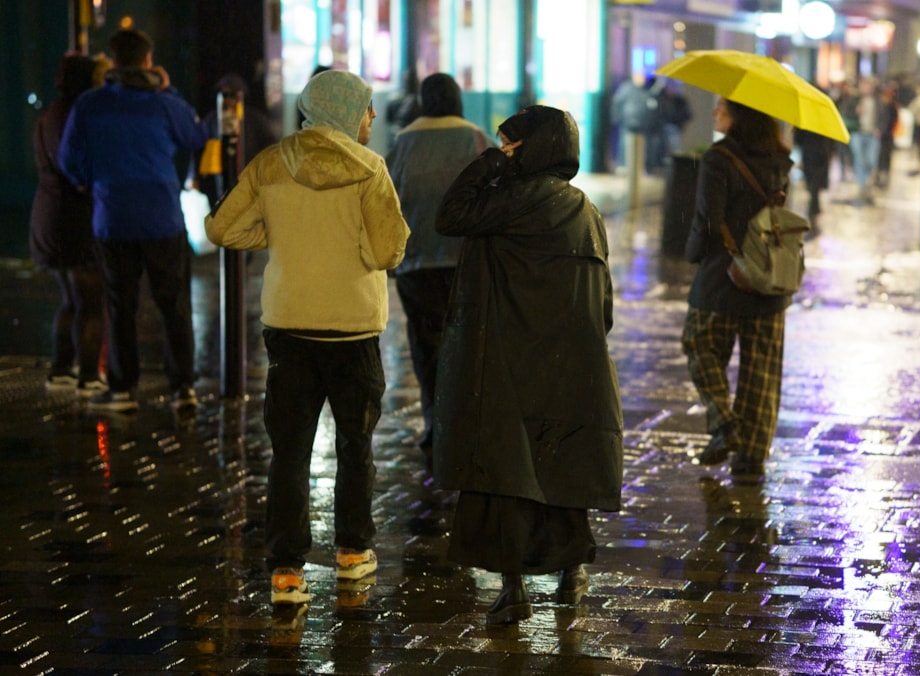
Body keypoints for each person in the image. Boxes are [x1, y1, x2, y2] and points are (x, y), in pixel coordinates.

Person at [204, 69, 410, 605]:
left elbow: (222, 229)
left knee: (289, 454)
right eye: (365, 107)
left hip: (289, 329)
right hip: (353, 329)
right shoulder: (370, 169)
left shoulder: (272, 162)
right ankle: (351, 554)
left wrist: (275, 235)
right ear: (347, 111)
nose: (371, 116)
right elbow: (388, 252)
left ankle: (287, 572)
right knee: (355, 446)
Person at [433, 105, 623, 626]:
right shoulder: (585, 210)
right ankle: (571, 576)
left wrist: (490, 164)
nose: (502, 151)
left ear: (527, 148)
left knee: (504, 476)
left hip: (508, 363)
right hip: (571, 363)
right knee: (563, 467)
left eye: (509, 143)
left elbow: (449, 215)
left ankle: (513, 588)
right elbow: (602, 298)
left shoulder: (510, 202)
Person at [58, 28, 211, 412]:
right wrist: (168, 90)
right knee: (173, 303)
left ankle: (124, 388)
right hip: (162, 217)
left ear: (111, 61)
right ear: (148, 60)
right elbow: (196, 136)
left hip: (113, 218)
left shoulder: (91, 105)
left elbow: (69, 159)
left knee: (120, 305)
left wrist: (93, 181)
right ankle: (183, 388)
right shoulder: (163, 103)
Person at [384, 73, 494, 465]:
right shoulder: (477, 138)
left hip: (415, 263)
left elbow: (387, 198)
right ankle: (466, 421)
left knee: (426, 344)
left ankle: (434, 420)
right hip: (465, 261)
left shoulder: (402, 142)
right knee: (466, 344)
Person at [682, 97, 793, 477]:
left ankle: (723, 422)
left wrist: (693, 255)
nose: (714, 113)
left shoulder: (718, 159)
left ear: (740, 115)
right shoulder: (780, 159)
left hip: (722, 276)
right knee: (762, 370)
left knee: (699, 343)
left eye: (721, 108)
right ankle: (750, 460)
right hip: (769, 277)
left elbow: (706, 220)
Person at [30, 53, 110, 396]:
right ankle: (89, 375)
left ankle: (61, 368)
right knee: (92, 300)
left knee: (70, 299)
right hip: (74, 216)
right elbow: (80, 167)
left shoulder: (49, 113)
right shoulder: (79, 114)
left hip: (47, 213)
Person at [197, 73, 280, 209]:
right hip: (220, 180)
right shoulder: (213, 119)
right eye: (223, 95)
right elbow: (200, 145)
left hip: (249, 179)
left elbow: (271, 144)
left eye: (231, 95)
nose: (227, 100)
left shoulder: (253, 119)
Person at [792, 126, 833, 228]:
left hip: (810, 155)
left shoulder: (805, 124)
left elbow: (798, 139)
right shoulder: (825, 122)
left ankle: (813, 209)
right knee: (815, 184)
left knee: (813, 184)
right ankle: (814, 208)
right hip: (820, 156)